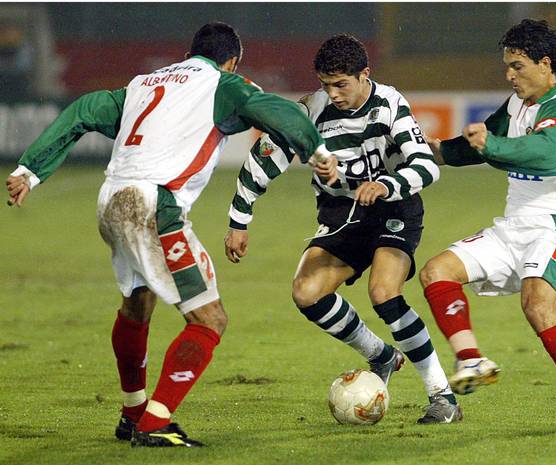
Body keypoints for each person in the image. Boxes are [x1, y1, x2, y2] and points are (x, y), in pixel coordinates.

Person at [5, 22, 337, 447]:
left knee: (137, 302)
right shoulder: (222, 83)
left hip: (111, 200)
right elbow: (281, 111)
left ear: (188, 53)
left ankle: (132, 412)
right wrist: (317, 150)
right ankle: (155, 422)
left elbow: (82, 110)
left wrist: (30, 169)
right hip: (153, 206)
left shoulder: (143, 84)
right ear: (232, 61)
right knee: (209, 319)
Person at [225, 34, 462, 424]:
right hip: (342, 215)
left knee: (384, 293)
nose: (332, 94)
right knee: (306, 292)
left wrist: (386, 184)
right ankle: (380, 356)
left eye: (341, 84)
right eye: (325, 84)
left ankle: (442, 396)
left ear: (364, 75)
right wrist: (239, 221)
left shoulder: (389, 104)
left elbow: (425, 165)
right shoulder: (312, 112)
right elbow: (263, 160)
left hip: (393, 207)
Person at [419, 19, 556, 430]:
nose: (510, 74)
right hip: (512, 228)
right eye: (508, 65)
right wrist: (433, 151)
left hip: (555, 227)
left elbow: (545, 154)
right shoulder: (517, 105)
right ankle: (471, 358)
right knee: (437, 271)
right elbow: (480, 144)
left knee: (538, 305)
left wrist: (492, 146)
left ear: (545, 64)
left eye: (518, 65)